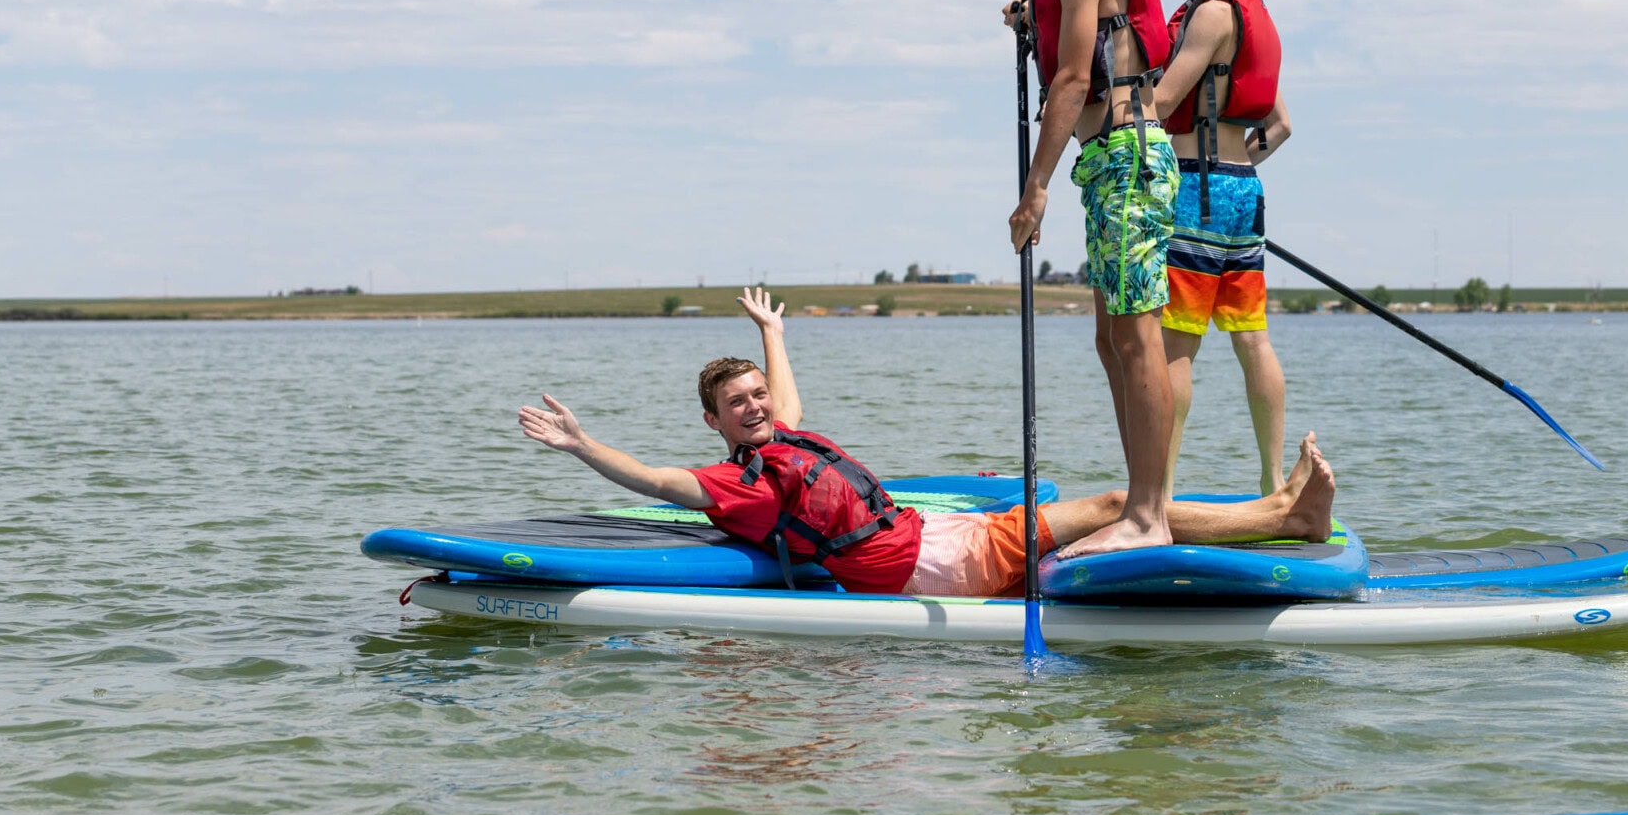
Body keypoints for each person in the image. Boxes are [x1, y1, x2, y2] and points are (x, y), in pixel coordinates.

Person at [517, 288, 1336, 599]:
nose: (757, 406)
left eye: (756, 395)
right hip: (936, 567)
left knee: (1108, 507)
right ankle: (1283, 518)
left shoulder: (783, 434)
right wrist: (585, 444)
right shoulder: (740, 483)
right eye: (738, 405)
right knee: (1119, 504)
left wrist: (771, 331)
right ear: (716, 425)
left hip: (939, 537)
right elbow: (661, 484)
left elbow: (789, 397)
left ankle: (1275, 508)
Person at [1003, 0, 1182, 560]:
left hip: (1126, 156)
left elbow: (1075, 80)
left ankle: (1149, 515)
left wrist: (1034, 188)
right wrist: (1027, 21)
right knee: (1113, 340)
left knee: (1136, 340)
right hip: (1113, 159)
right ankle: (1143, 505)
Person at [1151, 0, 1294, 494]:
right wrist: (1235, 170)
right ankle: (1273, 481)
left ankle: (1155, 492)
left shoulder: (1209, 15)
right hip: (1242, 191)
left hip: (1196, 189)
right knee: (1250, 337)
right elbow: (1281, 125)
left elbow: (1160, 103)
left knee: (1175, 344)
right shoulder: (1248, 19)